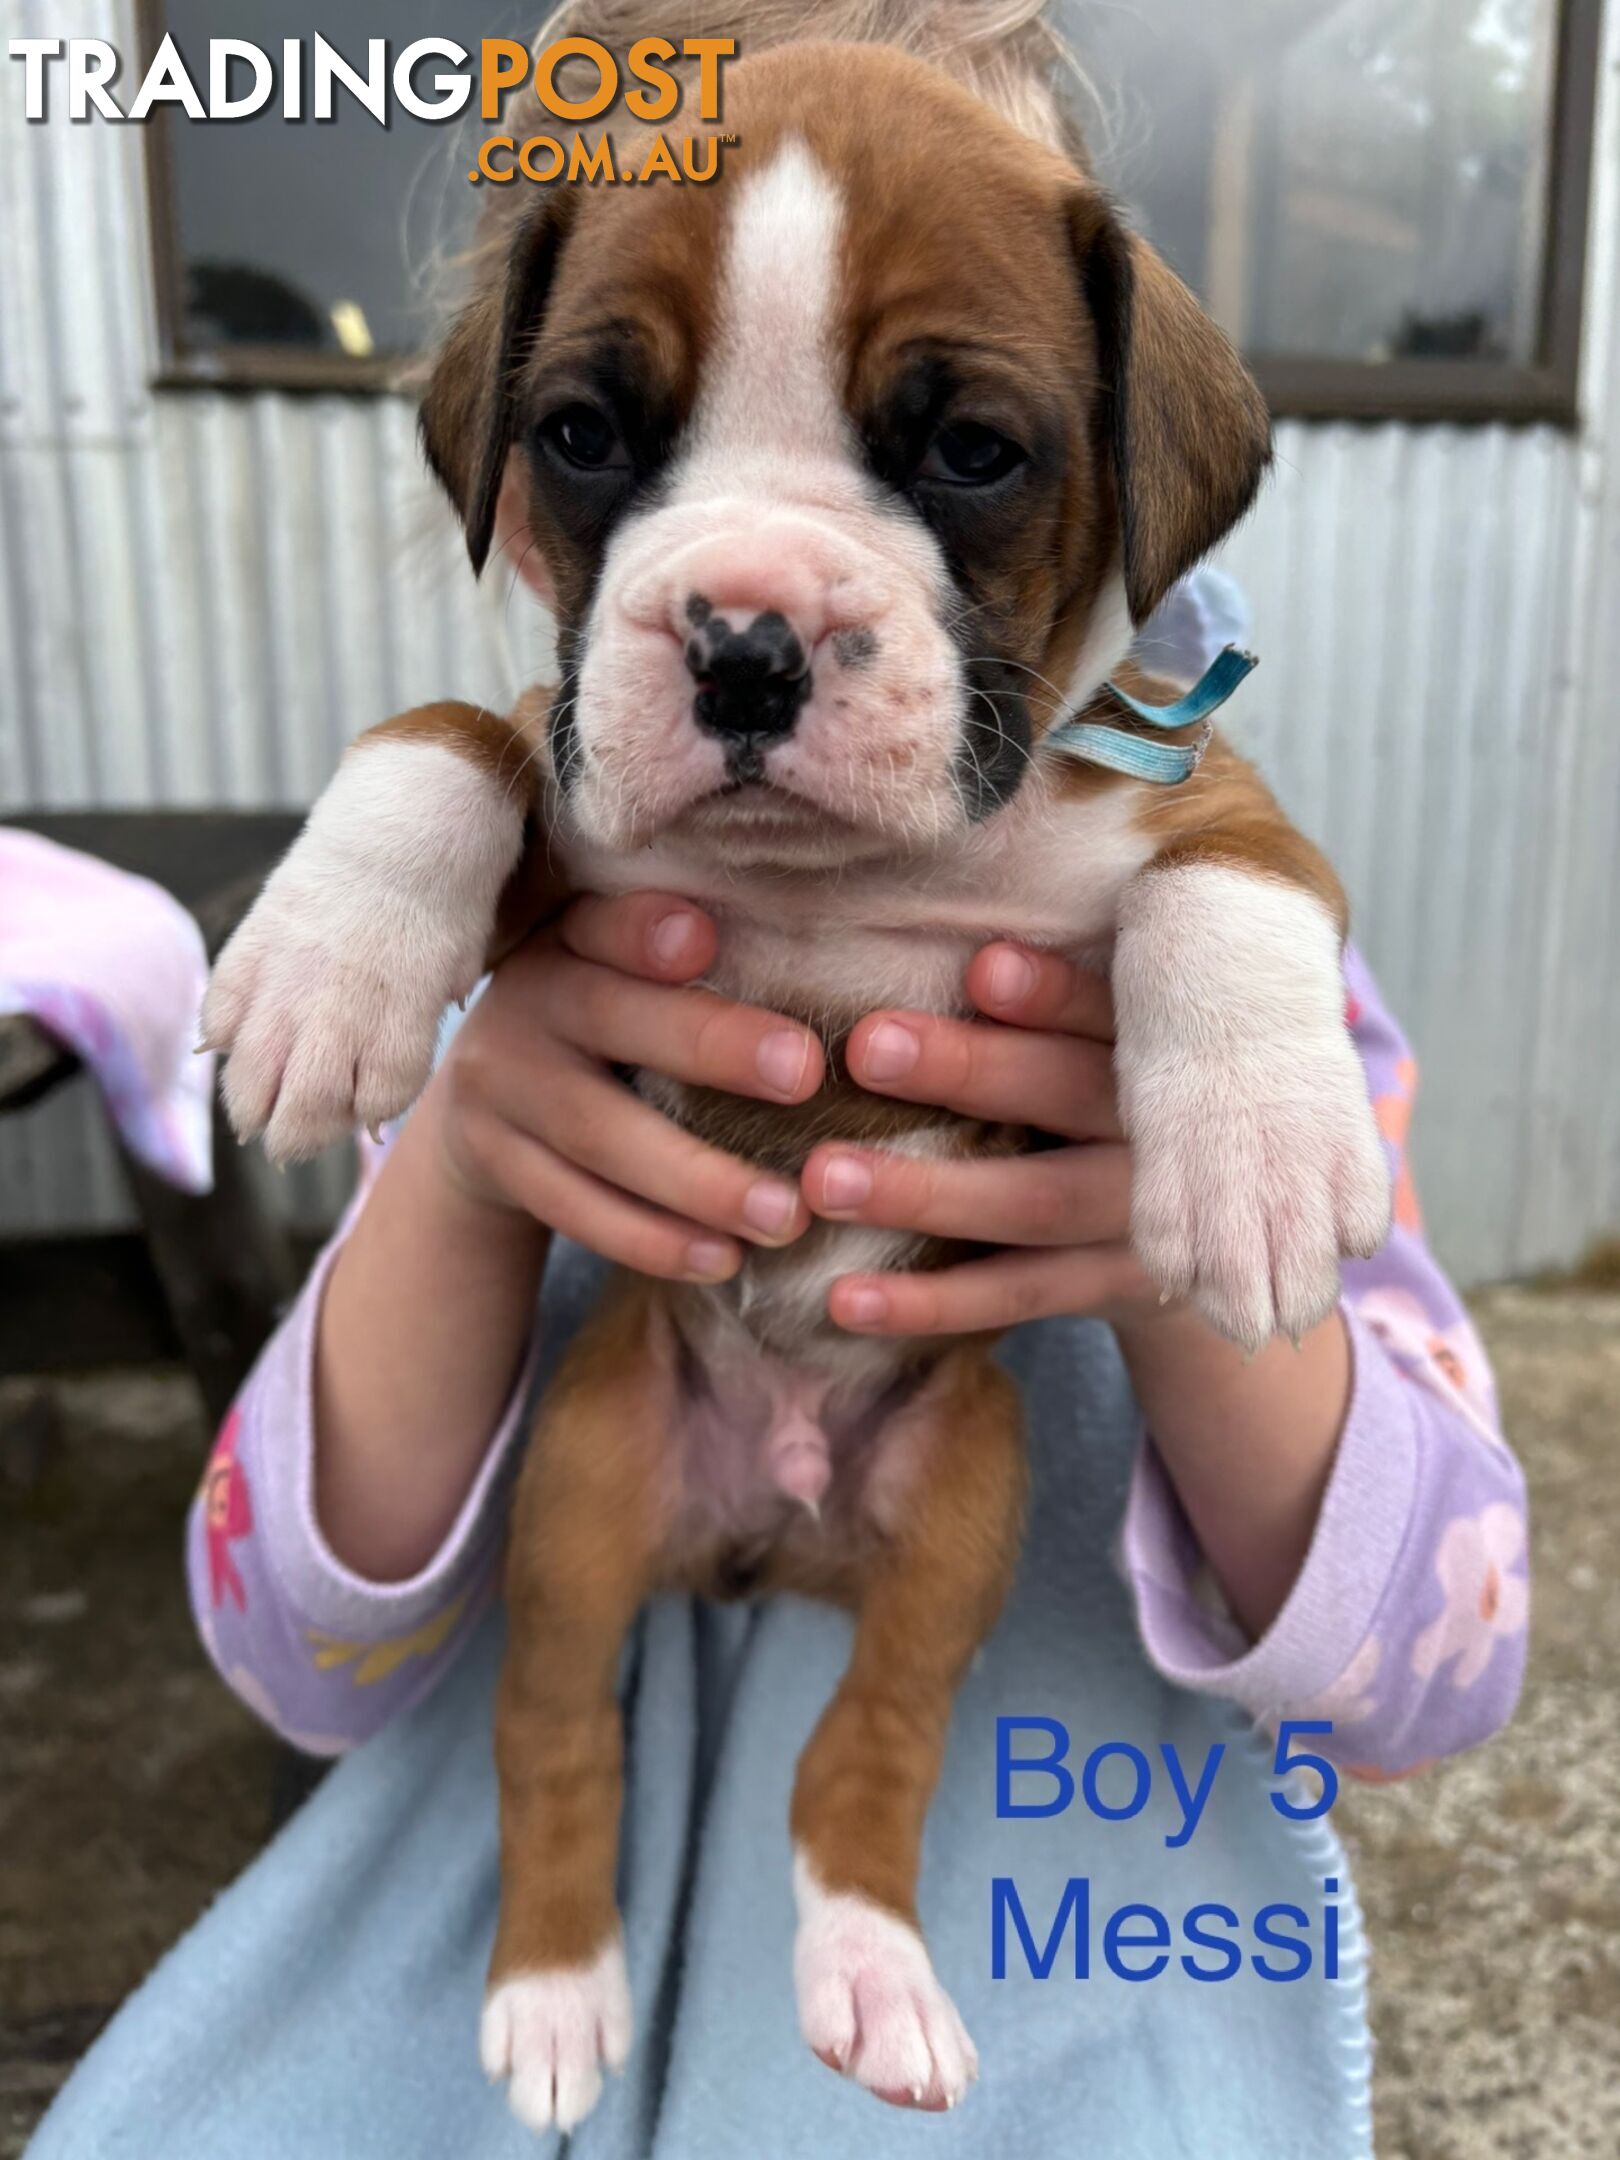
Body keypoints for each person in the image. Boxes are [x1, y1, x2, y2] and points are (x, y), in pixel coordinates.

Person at [27, 573, 1528, 2159]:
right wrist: (460, 1168)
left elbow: (1434, 1688)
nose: (764, 634)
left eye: (963, 457)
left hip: (1053, 1933)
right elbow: (288, 1646)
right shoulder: (522, 883)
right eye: (610, 436)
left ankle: (859, 1873)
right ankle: (572, 1857)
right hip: (491, 1916)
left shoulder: (1227, 931)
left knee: (961, 1508)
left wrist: (1197, 1246)